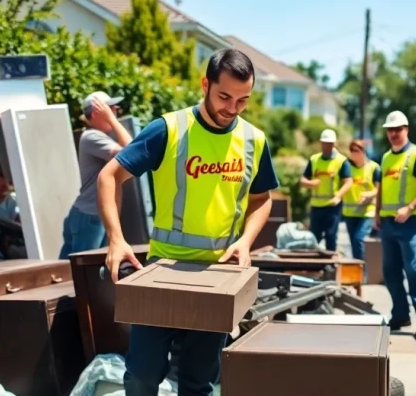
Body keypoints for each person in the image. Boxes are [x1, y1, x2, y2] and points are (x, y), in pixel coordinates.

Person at [96, 48, 279, 396]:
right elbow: (109, 177)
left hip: (217, 278)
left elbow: (261, 199)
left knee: (199, 383)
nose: (232, 108)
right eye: (224, 96)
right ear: (205, 84)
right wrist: (115, 239)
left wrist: (245, 241)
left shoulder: (255, 140)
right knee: (142, 375)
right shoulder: (169, 129)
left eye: (243, 100)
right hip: (164, 270)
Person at [375, 110, 416, 338]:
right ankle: (401, 315)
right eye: (390, 130)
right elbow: (381, 186)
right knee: (390, 271)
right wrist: (376, 213)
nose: (393, 133)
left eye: (398, 129)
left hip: (409, 222)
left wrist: (410, 207)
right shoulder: (385, 157)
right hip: (388, 223)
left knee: (413, 270)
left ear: (406, 130)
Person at [58, 91, 133, 259]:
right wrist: (112, 120)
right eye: (110, 108)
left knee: (72, 271)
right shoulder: (91, 136)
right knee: (83, 272)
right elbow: (132, 151)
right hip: (90, 216)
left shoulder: (100, 137)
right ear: (95, 112)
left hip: (89, 215)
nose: (115, 111)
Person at [300, 128, 352, 251]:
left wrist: (338, 196)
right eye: (324, 143)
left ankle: (330, 267)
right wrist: (311, 183)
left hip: (332, 207)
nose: (326, 146)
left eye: (329, 143)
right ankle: (314, 267)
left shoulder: (341, 161)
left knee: (331, 237)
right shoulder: (314, 160)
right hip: (316, 206)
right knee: (314, 238)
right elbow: (302, 180)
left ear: (334, 144)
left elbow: (348, 182)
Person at [343, 139, 380, 261]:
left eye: (357, 150)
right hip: (350, 212)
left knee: (359, 239)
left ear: (363, 151)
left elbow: (378, 190)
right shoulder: (347, 168)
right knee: (354, 242)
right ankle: (358, 270)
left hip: (367, 212)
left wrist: (368, 194)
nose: (353, 153)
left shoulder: (374, 168)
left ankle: (364, 270)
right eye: (352, 151)